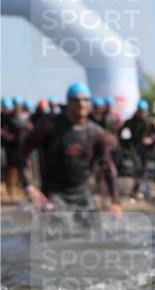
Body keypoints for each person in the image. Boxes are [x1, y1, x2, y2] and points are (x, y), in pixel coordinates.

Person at [18, 83, 121, 218]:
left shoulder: (95, 132)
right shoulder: (49, 125)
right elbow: (22, 153)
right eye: (76, 100)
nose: (81, 104)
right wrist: (29, 187)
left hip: (83, 194)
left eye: (85, 100)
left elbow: (107, 166)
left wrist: (116, 201)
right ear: (68, 103)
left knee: (94, 230)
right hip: (54, 194)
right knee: (60, 227)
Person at [118, 99, 155, 197]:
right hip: (134, 147)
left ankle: (139, 187)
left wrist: (150, 139)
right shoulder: (131, 121)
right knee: (138, 167)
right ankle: (137, 188)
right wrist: (124, 143)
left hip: (145, 148)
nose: (141, 113)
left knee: (143, 168)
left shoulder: (150, 121)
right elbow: (120, 131)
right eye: (140, 111)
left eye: (143, 111)